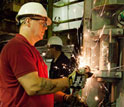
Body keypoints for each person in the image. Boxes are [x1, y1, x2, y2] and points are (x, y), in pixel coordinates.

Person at [0, 2, 88, 107]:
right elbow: (34, 87)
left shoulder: (32, 51)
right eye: (43, 23)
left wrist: (65, 97)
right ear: (28, 21)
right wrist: (69, 81)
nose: (46, 28)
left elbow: (43, 87)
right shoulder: (17, 47)